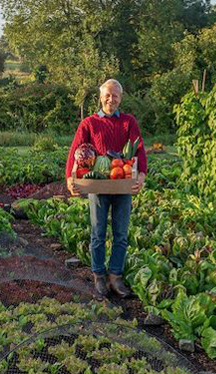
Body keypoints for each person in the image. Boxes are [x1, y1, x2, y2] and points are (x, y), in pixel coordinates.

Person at [65, 79, 147, 299]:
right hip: (98, 184)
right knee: (98, 233)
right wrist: (70, 178)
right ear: (100, 97)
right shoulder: (89, 123)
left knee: (120, 234)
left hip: (122, 184)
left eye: (116, 96)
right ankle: (99, 275)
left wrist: (141, 175)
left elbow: (139, 151)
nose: (111, 99)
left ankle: (115, 276)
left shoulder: (129, 122)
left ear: (121, 98)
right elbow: (76, 152)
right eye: (108, 95)